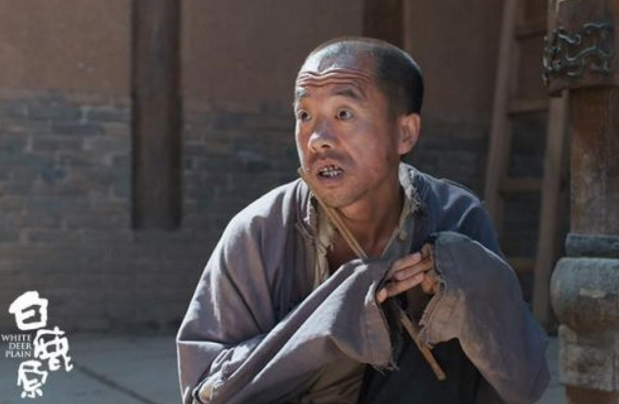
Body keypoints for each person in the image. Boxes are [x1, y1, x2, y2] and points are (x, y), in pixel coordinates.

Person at [176, 37, 550, 404]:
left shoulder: (455, 216)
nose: (317, 139)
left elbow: (523, 381)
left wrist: (466, 288)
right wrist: (341, 311)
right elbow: (205, 388)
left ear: (405, 133)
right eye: (305, 115)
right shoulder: (258, 232)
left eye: (343, 114)